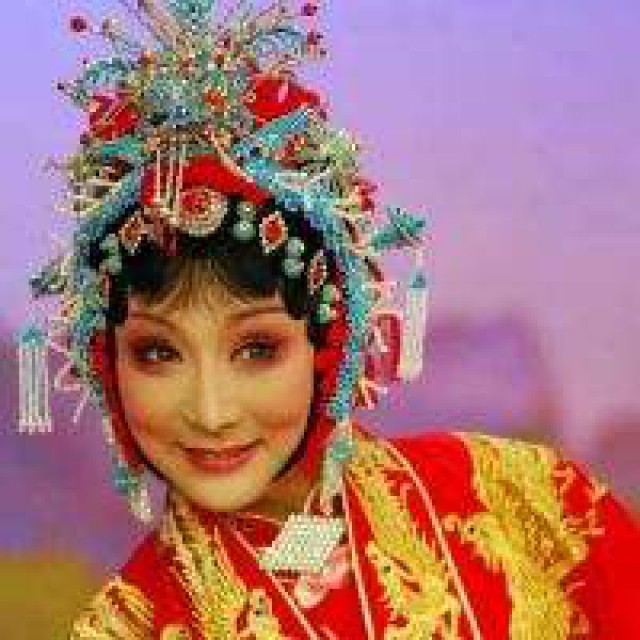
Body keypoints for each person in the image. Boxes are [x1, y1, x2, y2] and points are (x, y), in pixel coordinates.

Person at [19, 1, 639, 638]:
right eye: (158, 354)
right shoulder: (128, 627)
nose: (211, 412)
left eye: (257, 349)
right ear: (105, 364)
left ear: (330, 343)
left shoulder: (528, 506)